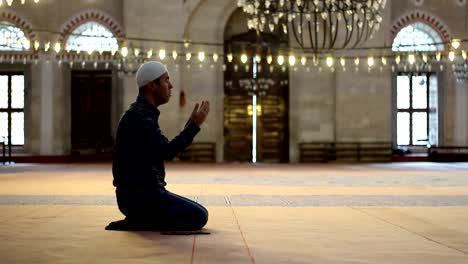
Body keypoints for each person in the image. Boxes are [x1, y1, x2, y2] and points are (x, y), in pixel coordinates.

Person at [108, 61, 210, 231]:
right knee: (199, 216)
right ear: (152, 86)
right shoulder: (140, 118)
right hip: (140, 198)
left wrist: (192, 124)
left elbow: (161, 149)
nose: (170, 86)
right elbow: (168, 151)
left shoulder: (142, 113)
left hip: (137, 196)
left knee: (198, 212)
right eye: (166, 80)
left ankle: (140, 219)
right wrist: (194, 126)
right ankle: (140, 221)